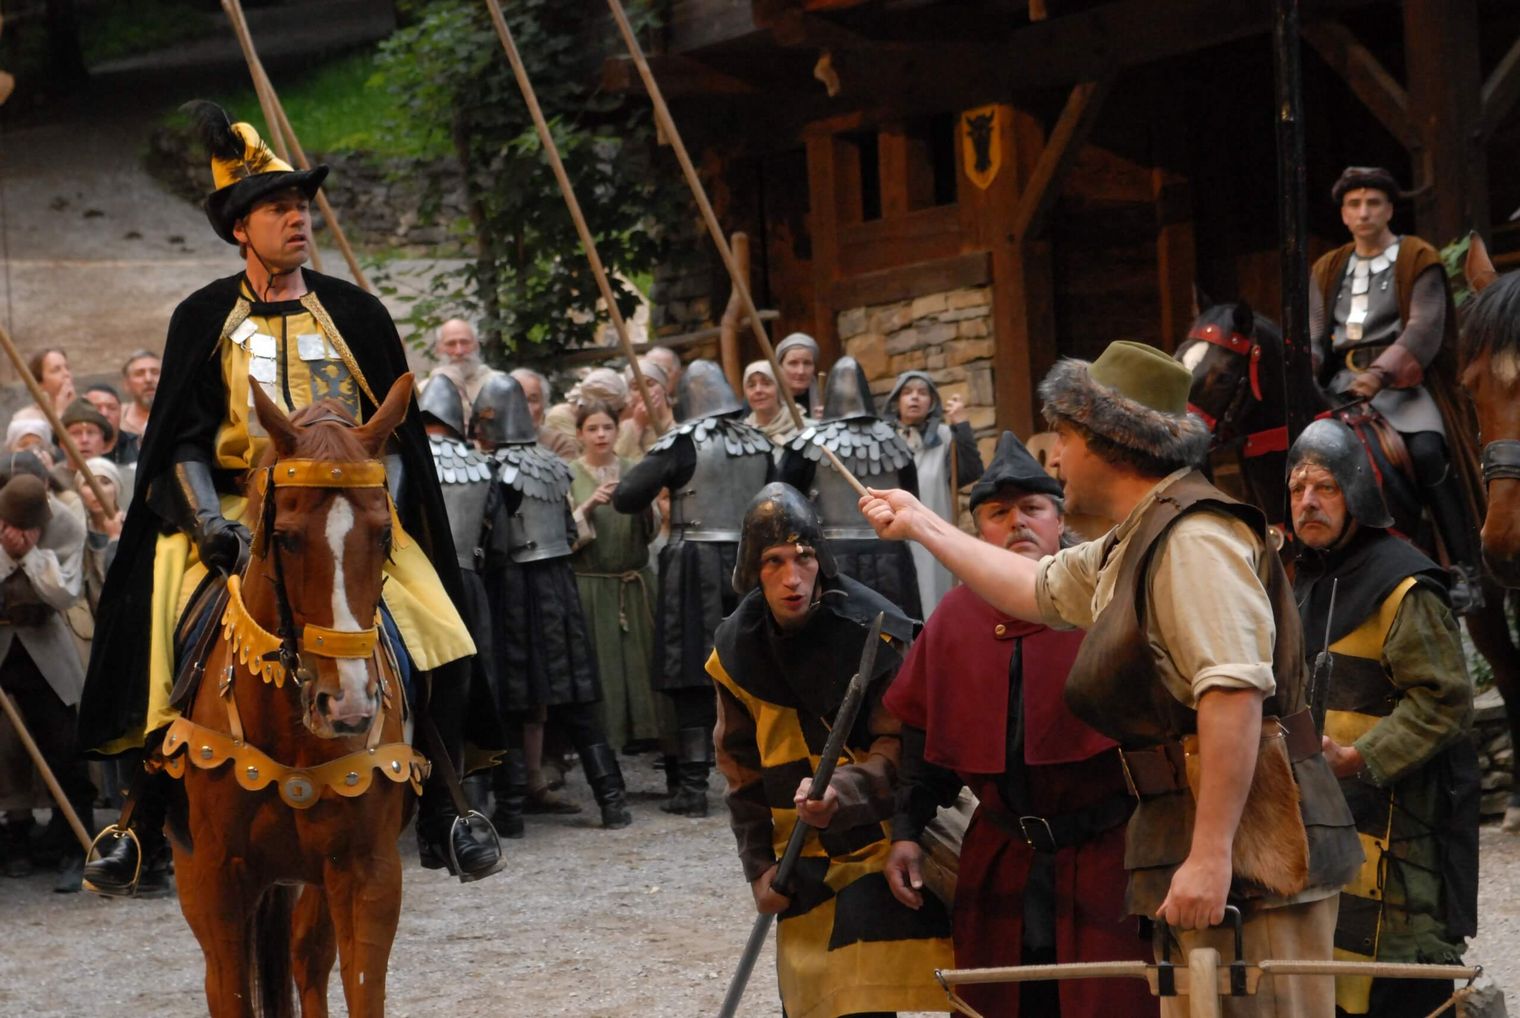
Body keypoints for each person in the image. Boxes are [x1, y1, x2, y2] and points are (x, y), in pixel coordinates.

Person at [860, 340, 1363, 1017]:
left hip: (1256, 856)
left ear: (1109, 442)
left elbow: (1233, 695)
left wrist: (1211, 856)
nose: (1056, 456)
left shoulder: (1194, 539)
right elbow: (1036, 587)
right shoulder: (1144, 533)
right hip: (1203, 842)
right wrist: (920, 524)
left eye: (1065, 436)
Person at [78, 103, 501, 894]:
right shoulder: (202, 317)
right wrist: (206, 524)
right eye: (279, 208)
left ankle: (447, 803)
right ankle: (143, 821)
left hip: (352, 515)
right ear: (241, 227)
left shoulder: (358, 314)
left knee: (445, 630)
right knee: (153, 622)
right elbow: (179, 438)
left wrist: (378, 517)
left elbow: (397, 439)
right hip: (233, 516)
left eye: (302, 206)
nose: (298, 218)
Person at [883, 431, 1153, 1018]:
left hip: (1108, 857)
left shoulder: (1108, 604)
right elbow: (923, 744)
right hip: (1001, 861)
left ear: (1059, 520)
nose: (1017, 523)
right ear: (977, 530)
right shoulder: (953, 618)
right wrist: (907, 829)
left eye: (1032, 509)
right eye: (998, 513)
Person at [709, 482, 953, 1018]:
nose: (792, 578)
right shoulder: (734, 650)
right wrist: (757, 868)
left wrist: (845, 791)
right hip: (797, 856)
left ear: (823, 560)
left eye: (803, 557)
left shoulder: (876, 631)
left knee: (869, 991)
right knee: (818, 1000)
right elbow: (740, 770)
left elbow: (905, 746)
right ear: (752, 569)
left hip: (878, 843)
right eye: (773, 561)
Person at [1287, 418, 1478, 1018]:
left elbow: (1443, 699)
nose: (1309, 502)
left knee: (1397, 985)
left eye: (1325, 487)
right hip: (1322, 827)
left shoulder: (1404, 586)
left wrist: (1363, 757)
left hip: (1401, 836)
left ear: (1357, 494)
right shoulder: (1296, 582)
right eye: (1297, 489)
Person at [1309, 166, 1484, 612]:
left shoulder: (1416, 256)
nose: (1363, 212)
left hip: (1402, 385)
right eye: (1354, 204)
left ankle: (1465, 569)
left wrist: (1381, 374)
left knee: (1427, 449)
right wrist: (1304, 370)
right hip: (1339, 388)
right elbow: (1314, 334)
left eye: (1373, 203)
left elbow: (1425, 327)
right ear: (1344, 214)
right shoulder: (1328, 267)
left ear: (1389, 209)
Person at [612, 360, 773, 816]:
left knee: (692, 671)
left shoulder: (682, 445)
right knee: (749, 668)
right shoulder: (760, 443)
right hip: (751, 562)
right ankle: (763, 776)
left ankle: (693, 788)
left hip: (693, 564)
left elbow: (627, 497)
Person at [474, 373, 632, 831]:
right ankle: (613, 802)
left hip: (512, 591)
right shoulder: (553, 465)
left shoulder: (489, 470)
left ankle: (512, 812)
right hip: (559, 585)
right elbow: (565, 530)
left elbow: (495, 540)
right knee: (578, 696)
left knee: (511, 698)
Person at [0, 473, 94, 891]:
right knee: (4, 749)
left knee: (64, 742)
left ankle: (76, 841)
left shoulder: (66, 525)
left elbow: (64, 594)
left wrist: (31, 556)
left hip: (43, 639)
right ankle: (14, 838)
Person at [781, 356, 922, 619]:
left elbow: (785, 506)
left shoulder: (807, 445)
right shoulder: (896, 442)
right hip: (886, 556)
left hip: (834, 557)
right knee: (893, 635)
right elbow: (912, 499)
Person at [568, 401, 665, 756]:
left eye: (607, 428)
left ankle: (646, 734)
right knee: (602, 664)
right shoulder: (569, 475)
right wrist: (589, 506)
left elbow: (653, 531)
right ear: (580, 435)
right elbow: (566, 536)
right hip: (593, 586)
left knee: (641, 661)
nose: (601, 435)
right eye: (592, 429)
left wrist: (640, 504)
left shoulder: (632, 470)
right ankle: (604, 745)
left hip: (634, 582)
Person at [882, 370, 984, 613]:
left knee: (934, 601)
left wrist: (961, 425)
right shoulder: (883, 439)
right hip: (892, 538)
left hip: (932, 537)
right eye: (907, 392)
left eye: (922, 393)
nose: (914, 398)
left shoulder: (947, 437)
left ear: (932, 402)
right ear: (897, 401)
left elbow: (971, 470)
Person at [510, 366, 580, 461]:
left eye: (532, 400)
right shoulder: (487, 440)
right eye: (518, 399)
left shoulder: (558, 443)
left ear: (543, 404)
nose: (525, 407)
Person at [616, 358, 672, 460]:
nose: (644, 392)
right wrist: (637, 426)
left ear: (664, 388)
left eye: (650, 384)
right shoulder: (623, 428)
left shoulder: (679, 419)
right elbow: (621, 464)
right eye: (636, 388)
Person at [741, 360, 800, 450]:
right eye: (751, 385)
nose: (758, 390)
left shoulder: (803, 427)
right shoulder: (741, 435)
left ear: (779, 389)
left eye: (766, 383)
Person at [83, 384, 140, 467]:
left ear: (120, 412)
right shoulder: (72, 447)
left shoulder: (138, 447)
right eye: (96, 407)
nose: (104, 413)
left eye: (112, 408)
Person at [775, 332, 822, 418]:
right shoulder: (765, 400)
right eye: (793, 363)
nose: (801, 371)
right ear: (780, 367)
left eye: (807, 363)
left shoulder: (827, 400)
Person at [118, 350, 160, 439]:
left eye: (155, 372)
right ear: (126, 384)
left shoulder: (184, 416)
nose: (148, 379)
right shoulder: (116, 417)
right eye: (139, 374)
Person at [27, 348, 75, 417]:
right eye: (56, 370)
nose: (66, 374)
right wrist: (60, 412)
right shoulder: (27, 420)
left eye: (67, 368)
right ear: (40, 384)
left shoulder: (84, 409)